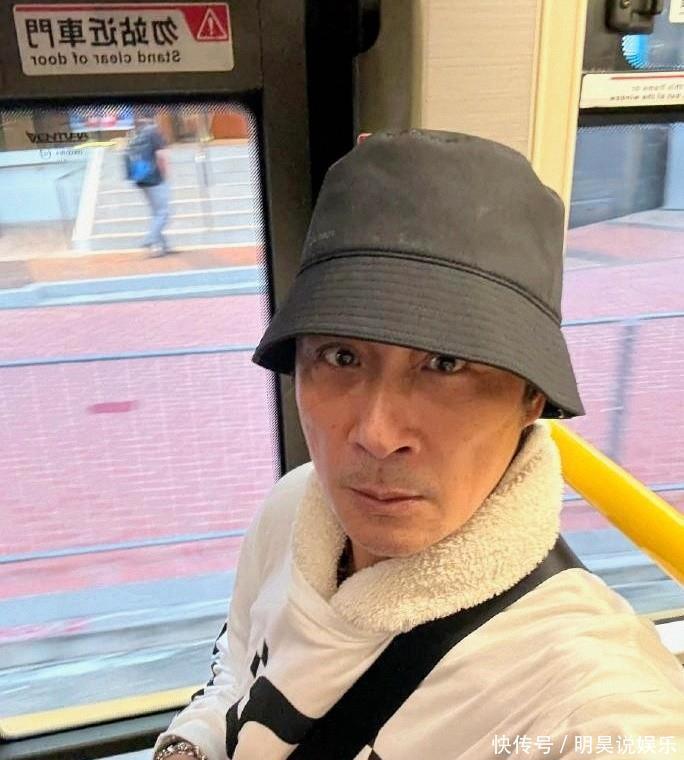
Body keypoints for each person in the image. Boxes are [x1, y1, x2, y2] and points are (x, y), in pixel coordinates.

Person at [154, 130, 684, 760]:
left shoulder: (587, 696)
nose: (376, 435)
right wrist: (188, 748)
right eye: (341, 355)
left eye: (446, 363)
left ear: (531, 399)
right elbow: (239, 665)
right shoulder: (293, 508)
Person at [125, 117, 172, 256]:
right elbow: (160, 156)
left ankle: (161, 246)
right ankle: (150, 239)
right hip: (154, 178)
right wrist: (164, 174)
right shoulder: (153, 133)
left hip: (140, 178)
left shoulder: (136, 136)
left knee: (156, 213)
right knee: (163, 213)